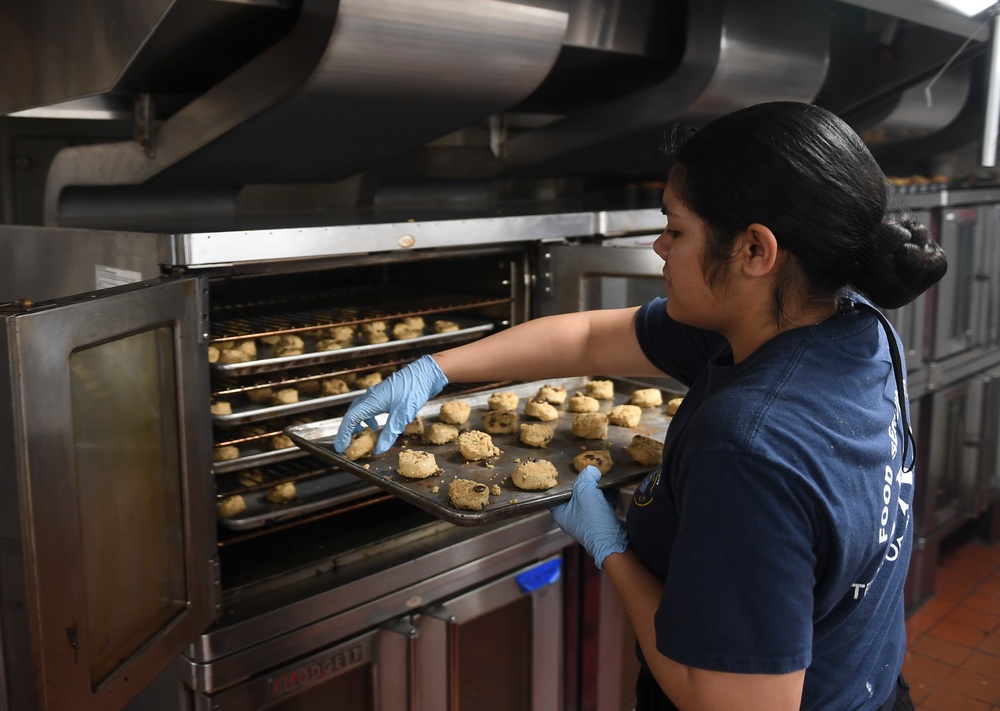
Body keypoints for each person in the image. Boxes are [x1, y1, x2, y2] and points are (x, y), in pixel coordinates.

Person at [333, 101, 947, 710]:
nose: (658, 246)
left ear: (756, 252)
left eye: (676, 230)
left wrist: (613, 551)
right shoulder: (852, 325)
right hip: (868, 686)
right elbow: (590, 338)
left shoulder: (746, 445)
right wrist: (438, 368)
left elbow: (733, 705)